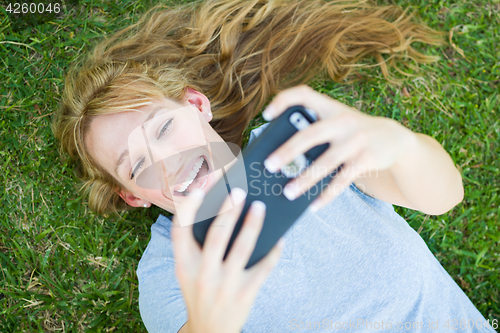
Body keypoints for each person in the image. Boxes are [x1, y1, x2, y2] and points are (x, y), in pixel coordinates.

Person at [51, 0, 497, 332]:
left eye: (164, 128)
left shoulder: (302, 147)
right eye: (139, 166)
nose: (169, 162)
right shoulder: (168, 275)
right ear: (132, 195)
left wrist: (401, 144)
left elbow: (445, 197)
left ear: (196, 105)